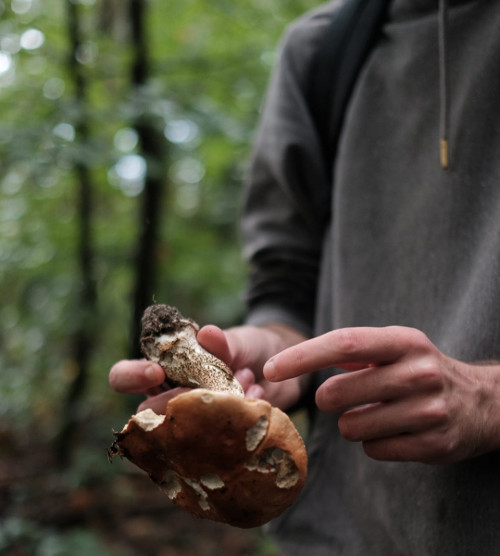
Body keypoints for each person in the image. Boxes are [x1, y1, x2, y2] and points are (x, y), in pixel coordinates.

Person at [109, 0, 500, 553]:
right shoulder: (324, 50)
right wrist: (272, 349)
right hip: (339, 533)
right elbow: (288, 284)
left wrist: (489, 399)